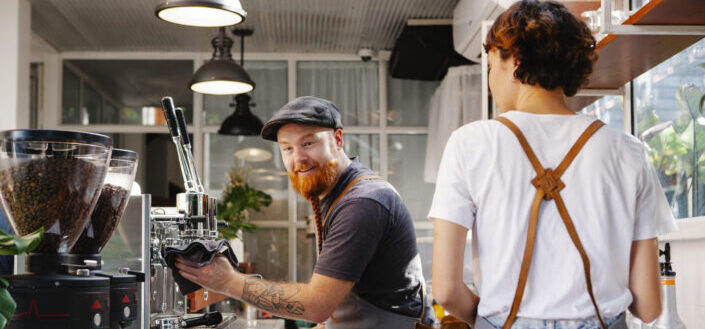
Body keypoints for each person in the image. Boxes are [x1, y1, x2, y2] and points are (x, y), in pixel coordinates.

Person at [428, 1, 677, 329]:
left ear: (514, 62)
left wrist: (493, 322)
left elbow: (446, 290)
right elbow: (648, 306)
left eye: (491, 66)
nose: (491, 81)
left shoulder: (468, 144)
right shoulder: (628, 152)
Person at [176, 96, 435, 328]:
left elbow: (317, 306)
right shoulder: (334, 193)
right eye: (287, 148)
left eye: (308, 143)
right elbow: (342, 300)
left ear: (337, 139)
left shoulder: (363, 202)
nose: (298, 158)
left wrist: (228, 281)